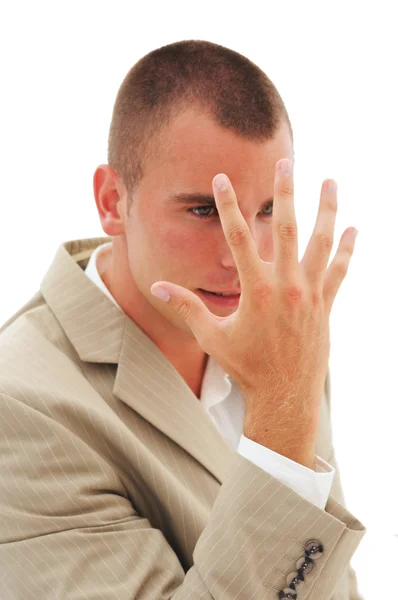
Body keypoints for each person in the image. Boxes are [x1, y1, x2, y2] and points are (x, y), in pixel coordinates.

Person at [0, 39, 366, 599]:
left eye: (266, 209)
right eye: (203, 210)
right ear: (111, 200)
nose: (242, 256)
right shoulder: (18, 408)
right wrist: (283, 418)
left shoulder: (281, 338)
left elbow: (327, 581)